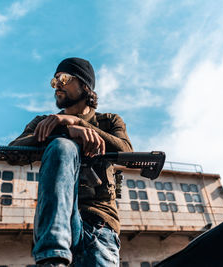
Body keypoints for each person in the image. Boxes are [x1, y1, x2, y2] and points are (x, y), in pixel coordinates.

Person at [9, 57, 133, 267]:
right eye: (54, 80)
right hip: (57, 223)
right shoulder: (44, 123)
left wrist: (77, 122)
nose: (57, 85)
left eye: (64, 78)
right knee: (61, 146)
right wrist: (64, 130)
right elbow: (13, 153)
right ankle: (52, 259)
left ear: (85, 85)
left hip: (99, 225)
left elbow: (126, 151)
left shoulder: (109, 121)